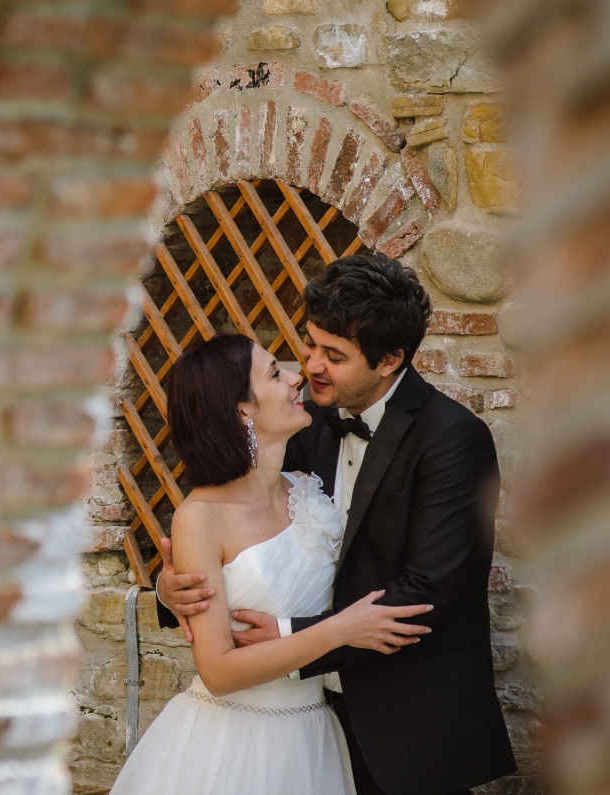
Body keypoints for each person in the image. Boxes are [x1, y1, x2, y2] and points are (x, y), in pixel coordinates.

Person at [156, 252, 517, 795]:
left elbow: (427, 593)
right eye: (309, 343)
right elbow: (237, 532)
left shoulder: (452, 441)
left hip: (403, 726)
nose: (309, 366)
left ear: (390, 358)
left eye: (334, 354)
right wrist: (170, 590)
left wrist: (287, 634)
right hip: (299, 731)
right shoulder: (304, 421)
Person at [109, 332, 434, 795]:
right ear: (243, 410)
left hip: (312, 736)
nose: (297, 375)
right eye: (274, 373)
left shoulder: (307, 485)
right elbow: (217, 671)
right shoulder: (199, 517)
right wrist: (340, 629)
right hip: (230, 746)